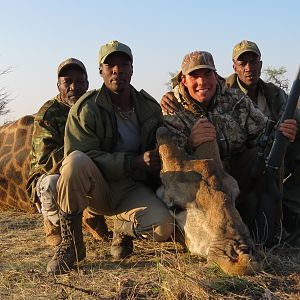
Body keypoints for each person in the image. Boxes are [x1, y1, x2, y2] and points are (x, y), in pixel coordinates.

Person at [46, 41, 174, 274]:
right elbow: (82, 154)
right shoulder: (85, 108)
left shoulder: (149, 107)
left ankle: (123, 228)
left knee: (164, 227)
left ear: (132, 69)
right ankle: (72, 245)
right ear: (101, 71)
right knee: (74, 162)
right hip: (98, 187)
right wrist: (132, 162)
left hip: (132, 188)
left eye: (123, 64)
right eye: (110, 65)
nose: (117, 70)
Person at [160, 50, 297, 245]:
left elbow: (264, 132)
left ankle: (275, 224)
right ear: (183, 80)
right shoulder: (171, 108)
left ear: (215, 76)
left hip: (234, 178)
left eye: (207, 74)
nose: (202, 82)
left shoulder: (235, 99)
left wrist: (283, 133)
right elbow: (169, 162)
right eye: (194, 76)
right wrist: (190, 143)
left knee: (267, 154)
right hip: (199, 187)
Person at [26, 58, 109, 246]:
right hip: (54, 172)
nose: (74, 87)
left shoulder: (95, 106)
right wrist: (82, 148)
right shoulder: (49, 113)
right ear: (59, 86)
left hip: (88, 167)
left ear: (87, 84)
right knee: (51, 183)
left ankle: (93, 218)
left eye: (79, 82)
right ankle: (54, 225)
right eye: (67, 82)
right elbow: (46, 161)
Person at [226, 40, 300, 241]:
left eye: (253, 61)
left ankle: (289, 209)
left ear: (261, 64)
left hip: (270, 162)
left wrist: (292, 129)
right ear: (234, 67)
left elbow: (295, 118)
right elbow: (190, 86)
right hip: (239, 165)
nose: (249, 68)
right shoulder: (222, 91)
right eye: (243, 63)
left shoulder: (274, 93)